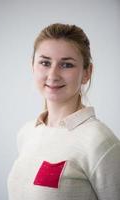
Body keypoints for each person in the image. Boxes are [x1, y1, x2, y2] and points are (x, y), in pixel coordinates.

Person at [7, 23, 120, 200]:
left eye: (66, 65)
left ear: (86, 73)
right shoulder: (27, 133)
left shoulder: (100, 142)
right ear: (32, 66)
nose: (53, 74)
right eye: (45, 62)